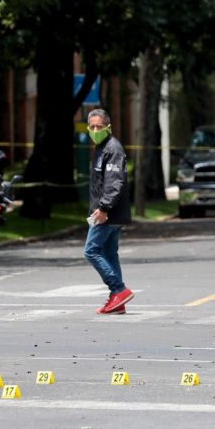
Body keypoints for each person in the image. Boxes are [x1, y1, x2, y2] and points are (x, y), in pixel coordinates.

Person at [85, 108, 133, 315]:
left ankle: (118, 289)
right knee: (109, 253)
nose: (95, 130)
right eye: (92, 127)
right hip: (109, 211)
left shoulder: (112, 149)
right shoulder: (102, 147)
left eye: (99, 126)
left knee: (91, 251)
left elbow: (114, 183)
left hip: (108, 212)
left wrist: (104, 208)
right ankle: (118, 300)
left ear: (108, 127)